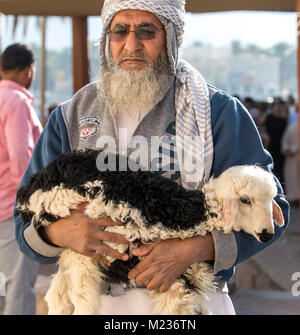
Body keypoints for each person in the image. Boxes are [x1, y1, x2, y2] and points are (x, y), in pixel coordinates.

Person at [14, 0, 289, 315]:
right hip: (94, 302)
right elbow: (23, 219)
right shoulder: (71, 115)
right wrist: (59, 232)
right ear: (106, 40)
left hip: (188, 301)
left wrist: (196, 249)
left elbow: (272, 209)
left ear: (171, 38)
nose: (131, 45)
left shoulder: (217, 112)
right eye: (120, 32)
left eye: (147, 31)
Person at [0, 43, 42, 314]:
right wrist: (34, 199)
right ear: (29, 70)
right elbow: (21, 155)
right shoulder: (15, 100)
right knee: (17, 285)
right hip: (10, 206)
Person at [281, 119, 299, 207]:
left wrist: (292, 149)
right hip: (292, 159)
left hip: (294, 157)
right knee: (293, 179)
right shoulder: (292, 126)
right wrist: (287, 150)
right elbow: (285, 140)